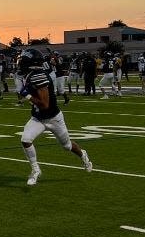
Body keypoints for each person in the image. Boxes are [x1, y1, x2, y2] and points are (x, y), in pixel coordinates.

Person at [17, 48, 92, 186]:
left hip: (53, 118)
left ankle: (83, 155)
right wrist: (26, 97)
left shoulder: (37, 76)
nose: (20, 62)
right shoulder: (31, 74)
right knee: (26, 140)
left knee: (67, 146)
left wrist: (27, 96)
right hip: (38, 118)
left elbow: (44, 104)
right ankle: (35, 170)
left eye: (23, 60)